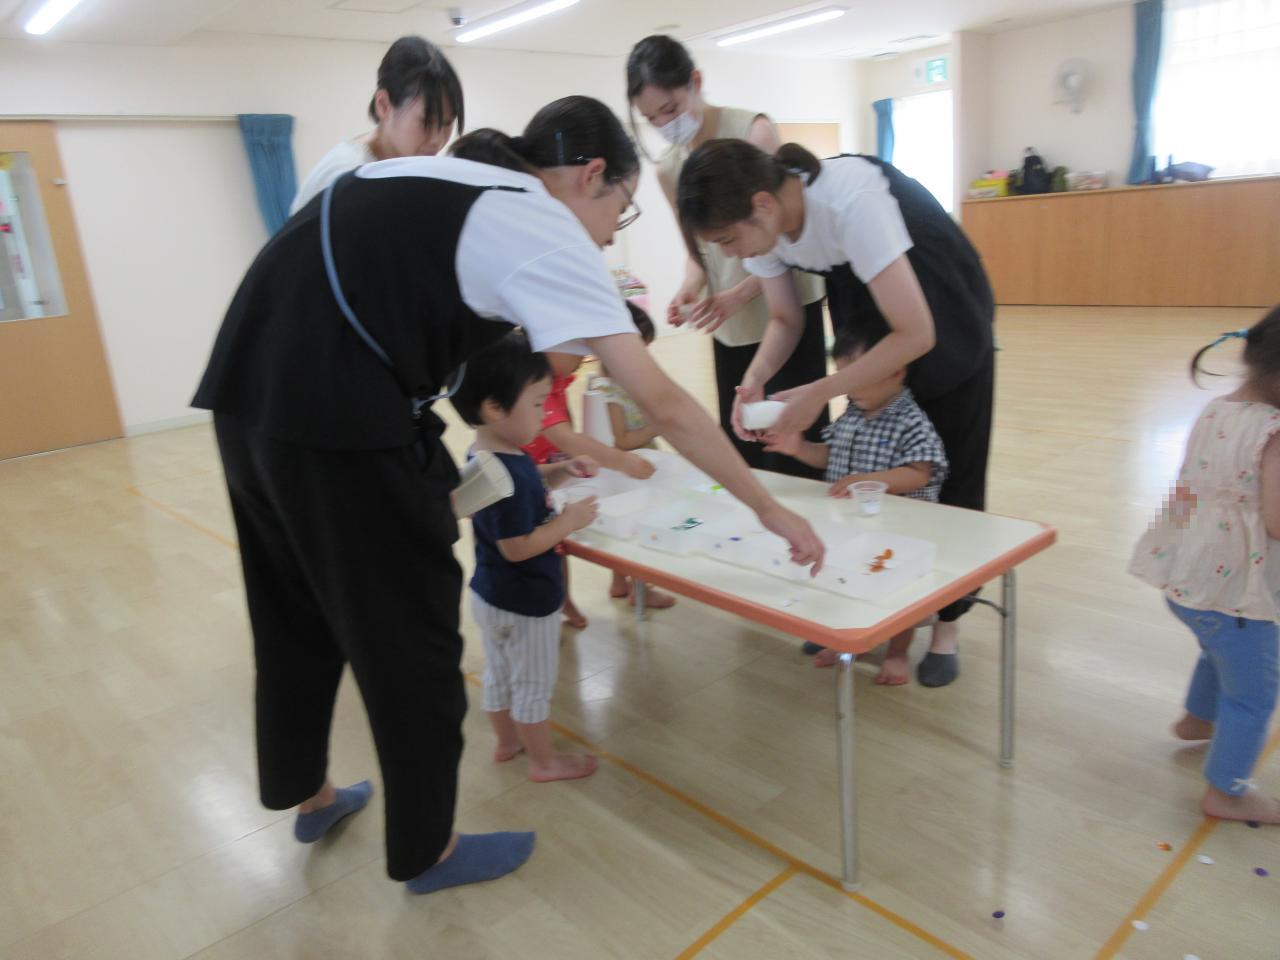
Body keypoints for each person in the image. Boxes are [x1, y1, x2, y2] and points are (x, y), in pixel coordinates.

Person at [192, 95, 823, 897]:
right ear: (592, 174)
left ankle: (306, 793)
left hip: (244, 393)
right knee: (411, 639)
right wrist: (768, 506)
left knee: (292, 609)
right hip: (339, 421)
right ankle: (428, 850)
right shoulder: (539, 221)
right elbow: (664, 403)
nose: (609, 234)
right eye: (622, 210)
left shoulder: (431, 176)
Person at [676, 139, 995, 688]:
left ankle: (947, 622)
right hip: (869, 313)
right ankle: (872, 602)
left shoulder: (852, 204)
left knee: (951, 474)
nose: (729, 255)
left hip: (941, 305)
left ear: (762, 205)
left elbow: (917, 333)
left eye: (728, 240)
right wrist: (754, 379)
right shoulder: (768, 225)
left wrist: (818, 391)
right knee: (868, 465)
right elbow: (785, 320)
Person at [626, 35, 828, 479]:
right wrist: (689, 288)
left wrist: (738, 293)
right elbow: (698, 254)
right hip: (730, 326)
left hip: (786, 305)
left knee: (793, 444)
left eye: (670, 109)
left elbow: (783, 238)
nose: (664, 125)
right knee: (745, 442)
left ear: (696, 82)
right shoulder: (669, 169)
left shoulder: (753, 132)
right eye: (651, 119)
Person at [1130, 309, 1280, 825]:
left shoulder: (1216, 409)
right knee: (1254, 695)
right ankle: (1227, 793)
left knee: (1217, 651)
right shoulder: (1275, 432)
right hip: (1238, 595)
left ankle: (1198, 720)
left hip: (1190, 580)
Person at [452, 332, 602, 782]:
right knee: (533, 684)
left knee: (498, 675)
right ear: (494, 408)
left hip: (490, 594)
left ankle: (507, 742)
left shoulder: (486, 453)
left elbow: (523, 480)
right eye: (537, 404)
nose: (543, 413)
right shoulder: (510, 472)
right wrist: (568, 521)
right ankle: (545, 762)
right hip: (527, 602)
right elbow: (517, 546)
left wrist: (558, 470)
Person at [764, 325, 948, 682]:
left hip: (897, 529)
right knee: (845, 579)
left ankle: (897, 653)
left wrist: (868, 481)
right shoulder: (850, 413)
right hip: (851, 525)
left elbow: (920, 472)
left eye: (858, 376)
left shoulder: (909, 419)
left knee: (898, 592)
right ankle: (849, 640)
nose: (849, 387)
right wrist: (799, 448)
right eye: (842, 377)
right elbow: (829, 455)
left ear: (896, 370)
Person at [518, 345, 662, 628]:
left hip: (553, 469)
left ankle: (564, 600)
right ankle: (556, 603)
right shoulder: (535, 381)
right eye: (576, 348)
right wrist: (620, 460)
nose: (583, 356)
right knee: (545, 546)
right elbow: (564, 435)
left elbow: (566, 430)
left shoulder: (556, 379)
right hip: (537, 477)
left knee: (556, 546)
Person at [290, 36, 463, 214]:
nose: (437, 139)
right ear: (383, 105)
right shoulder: (349, 177)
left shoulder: (399, 169)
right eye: (427, 122)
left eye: (447, 123)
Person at [589, 302, 677, 609]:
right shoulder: (609, 390)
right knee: (639, 526)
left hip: (631, 467)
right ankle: (640, 588)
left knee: (623, 526)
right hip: (630, 468)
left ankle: (619, 581)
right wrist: (657, 425)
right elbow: (622, 440)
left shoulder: (614, 381)